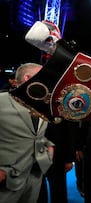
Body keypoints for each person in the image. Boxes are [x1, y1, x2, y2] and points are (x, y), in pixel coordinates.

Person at [0, 63, 54, 203]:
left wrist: (49, 148)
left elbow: (35, 134)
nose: (48, 82)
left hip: (35, 175)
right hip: (7, 179)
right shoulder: (1, 101)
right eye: (44, 77)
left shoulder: (43, 104)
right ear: (28, 78)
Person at [37, 120, 77, 203]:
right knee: (38, 193)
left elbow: (70, 132)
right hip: (35, 157)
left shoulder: (60, 108)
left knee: (59, 192)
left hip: (58, 157)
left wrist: (69, 159)